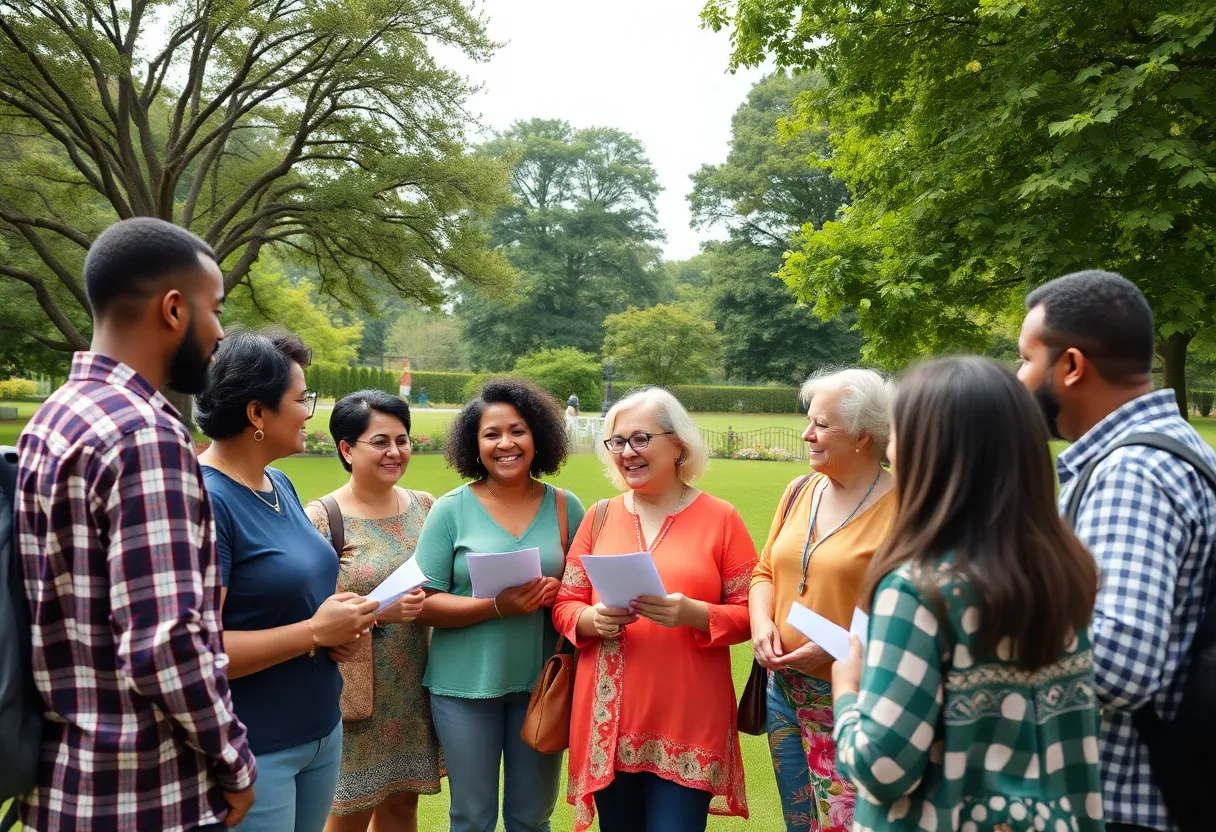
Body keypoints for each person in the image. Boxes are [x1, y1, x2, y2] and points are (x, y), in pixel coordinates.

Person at [14, 218, 256, 831]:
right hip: (144, 796)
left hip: (61, 784)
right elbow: (164, 643)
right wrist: (235, 761)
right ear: (174, 309)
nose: (221, 331)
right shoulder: (144, 433)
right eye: (216, 309)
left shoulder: (52, 419)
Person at [831, 355, 1104, 830]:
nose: (890, 452)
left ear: (929, 452)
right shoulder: (1065, 575)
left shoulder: (919, 591)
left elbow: (883, 769)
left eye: (896, 436)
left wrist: (846, 690)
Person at [1018, 270, 1216, 832]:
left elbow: (1120, 668)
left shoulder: (1131, 473)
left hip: (1124, 804)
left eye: (1027, 358)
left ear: (1073, 366)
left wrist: (991, 619)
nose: (1020, 376)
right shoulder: (1173, 453)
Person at [197, 330, 383, 832]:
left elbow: (295, 595)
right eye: (302, 399)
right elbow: (199, 653)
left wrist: (337, 627)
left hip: (321, 729)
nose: (309, 412)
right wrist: (315, 633)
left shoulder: (278, 481)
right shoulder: (206, 502)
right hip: (255, 748)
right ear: (257, 414)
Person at [552, 387, 757, 832]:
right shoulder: (600, 516)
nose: (627, 452)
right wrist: (591, 619)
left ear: (678, 444)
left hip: (687, 717)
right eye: (618, 442)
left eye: (641, 439)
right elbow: (566, 604)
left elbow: (751, 613)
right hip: (610, 717)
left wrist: (696, 614)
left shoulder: (721, 518)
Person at [412, 378, 586, 832]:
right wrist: (496, 606)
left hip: (542, 686)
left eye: (517, 431)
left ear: (538, 437)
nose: (505, 443)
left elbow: (584, 593)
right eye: (491, 434)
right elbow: (422, 603)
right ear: (475, 444)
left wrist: (560, 596)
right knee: (471, 817)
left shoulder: (568, 508)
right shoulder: (450, 510)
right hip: (462, 688)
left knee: (532, 817)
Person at [750, 369, 897, 832]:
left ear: (862, 436)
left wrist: (840, 647)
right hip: (783, 693)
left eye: (822, 425)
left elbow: (918, 615)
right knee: (800, 823)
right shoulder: (798, 491)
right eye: (809, 420)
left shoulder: (908, 508)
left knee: (845, 825)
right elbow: (765, 572)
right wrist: (761, 626)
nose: (806, 434)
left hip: (853, 699)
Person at [303, 390, 442, 832]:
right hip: (356, 691)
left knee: (403, 808)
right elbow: (307, 613)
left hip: (417, 687)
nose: (395, 452)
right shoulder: (322, 518)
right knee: (347, 813)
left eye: (402, 440)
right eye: (380, 442)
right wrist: (381, 611)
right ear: (346, 449)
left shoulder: (426, 506)